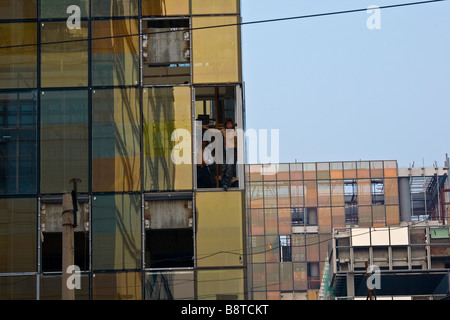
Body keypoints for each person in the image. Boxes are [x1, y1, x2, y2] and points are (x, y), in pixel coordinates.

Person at [220, 118, 237, 190]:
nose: (229, 125)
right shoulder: (223, 131)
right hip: (225, 150)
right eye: (228, 124)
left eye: (230, 124)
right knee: (224, 167)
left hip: (232, 149)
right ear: (225, 125)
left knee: (230, 168)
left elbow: (236, 142)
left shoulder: (234, 131)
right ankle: (224, 183)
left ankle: (226, 184)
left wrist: (237, 152)